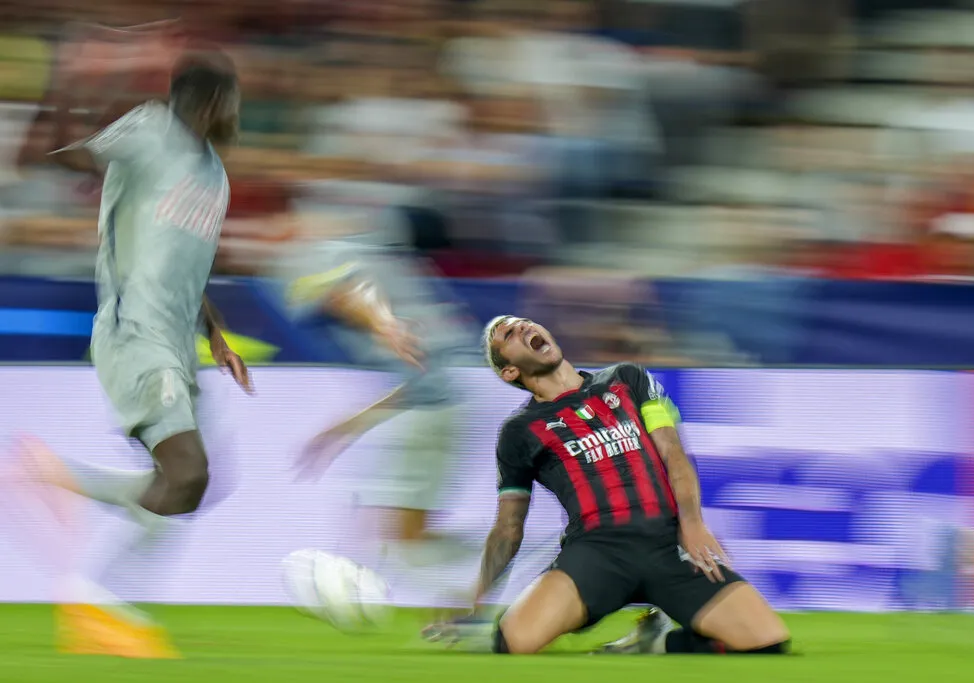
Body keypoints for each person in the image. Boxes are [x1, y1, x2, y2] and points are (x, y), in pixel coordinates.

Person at [12, 44, 251, 658]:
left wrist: (215, 334)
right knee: (187, 470)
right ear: (211, 99)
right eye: (234, 97)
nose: (239, 109)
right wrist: (64, 87)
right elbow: (52, 157)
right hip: (133, 332)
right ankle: (97, 599)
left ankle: (64, 493)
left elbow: (184, 264)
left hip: (178, 342)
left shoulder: (214, 174)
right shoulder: (150, 129)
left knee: (193, 486)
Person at [425, 315, 790, 655]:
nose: (523, 328)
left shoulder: (629, 379)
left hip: (667, 544)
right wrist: (478, 605)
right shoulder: (518, 432)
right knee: (515, 642)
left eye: (525, 324)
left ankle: (660, 638)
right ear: (509, 370)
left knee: (767, 642)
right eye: (508, 334)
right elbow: (508, 527)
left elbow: (674, 453)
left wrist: (692, 524)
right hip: (597, 553)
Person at [279, 207, 478, 576]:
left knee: (407, 543)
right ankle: (508, 555)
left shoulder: (322, 260)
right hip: (436, 401)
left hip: (436, 407)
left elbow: (352, 292)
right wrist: (345, 428)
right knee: (397, 537)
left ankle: (517, 553)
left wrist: (383, 323)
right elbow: (417, 385)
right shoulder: (362, 257)